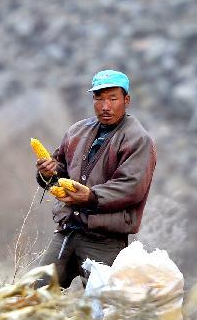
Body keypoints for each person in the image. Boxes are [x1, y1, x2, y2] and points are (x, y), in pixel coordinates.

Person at [34, 69, 157, 288]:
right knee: (35, 295)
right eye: (99, 98)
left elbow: (131, 187)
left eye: (112, 98)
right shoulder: (77, 131)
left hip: (104, 240)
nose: (105, 106)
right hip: (68, 230)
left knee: (103, 308)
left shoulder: (138, 139)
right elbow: (59, 172)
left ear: (126, 100)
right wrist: (47, 174)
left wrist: (91, 196)